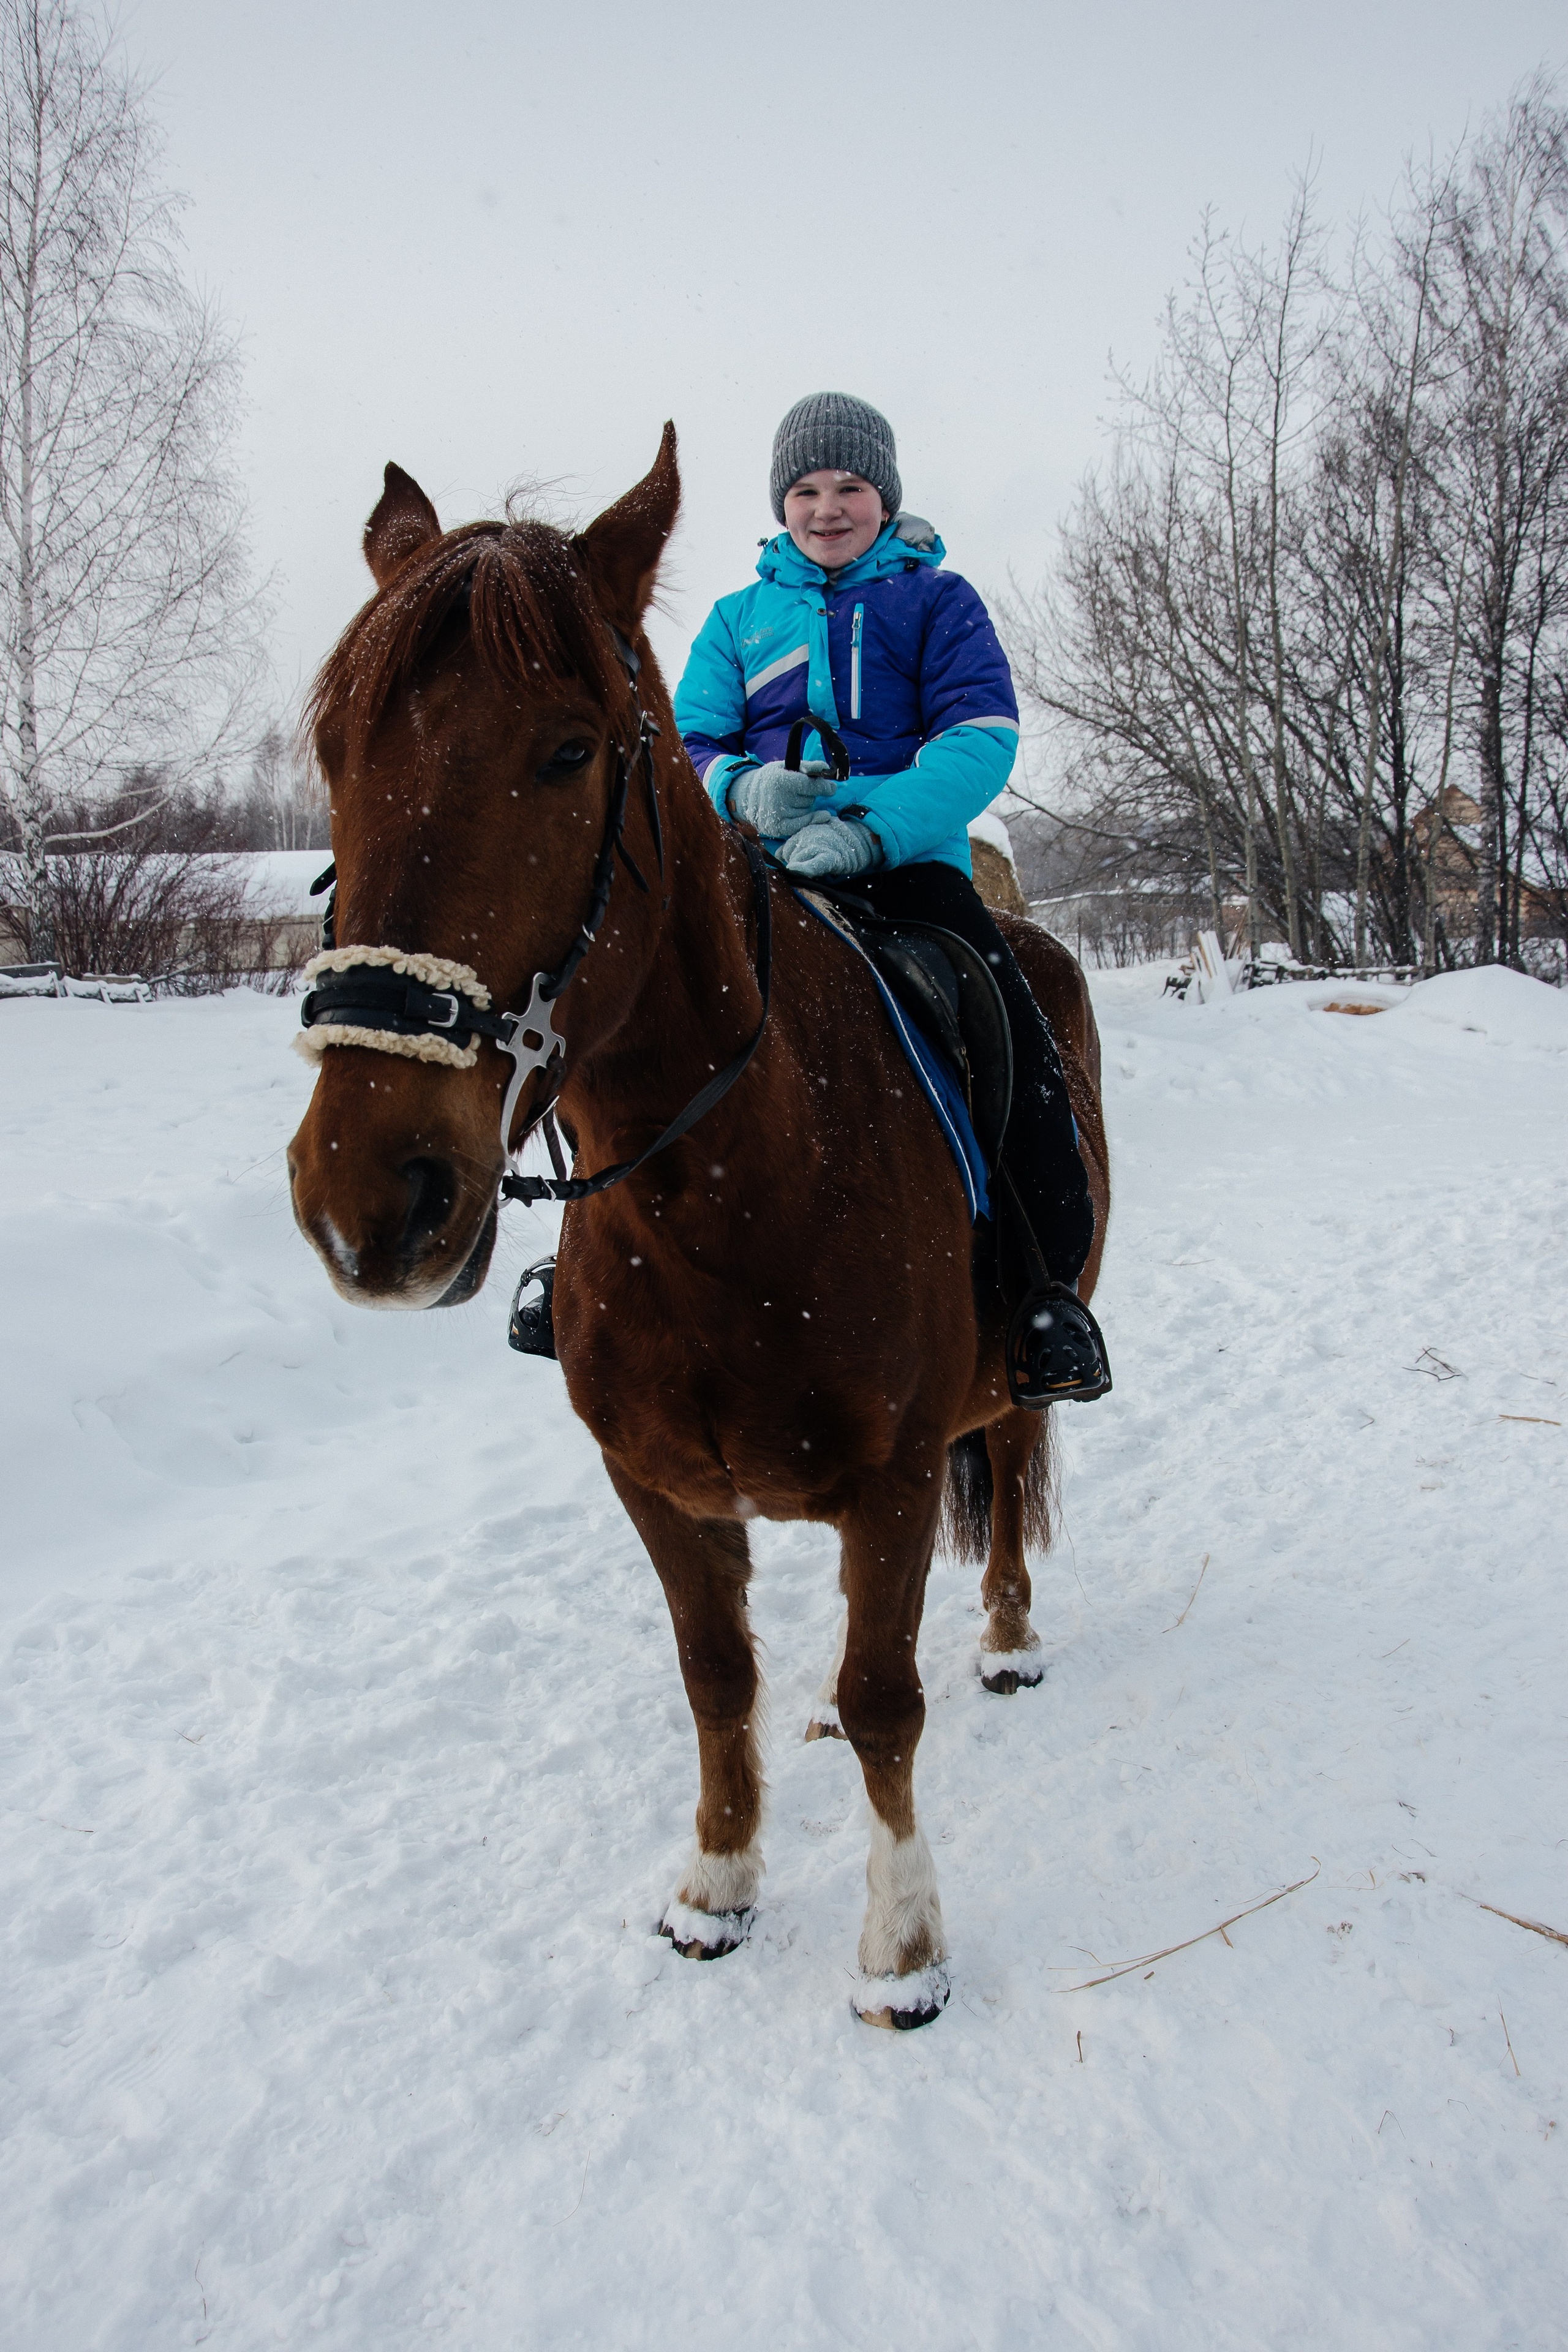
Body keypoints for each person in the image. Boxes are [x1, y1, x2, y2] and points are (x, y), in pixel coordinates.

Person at [673, 391, 1110, 1404]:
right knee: (644, 997)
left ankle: (1048, 1288)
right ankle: (583, 1262)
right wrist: (742, 788)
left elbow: (979, 741)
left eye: (851, 488)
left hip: (908, 869)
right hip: (763, 864)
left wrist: (871, 829)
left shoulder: (938, 601)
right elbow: (692, 736)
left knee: (1003, 1022)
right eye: (807, 490)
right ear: (783, 504)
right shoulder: (737, 619)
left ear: (886, 495)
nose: (829, 508)